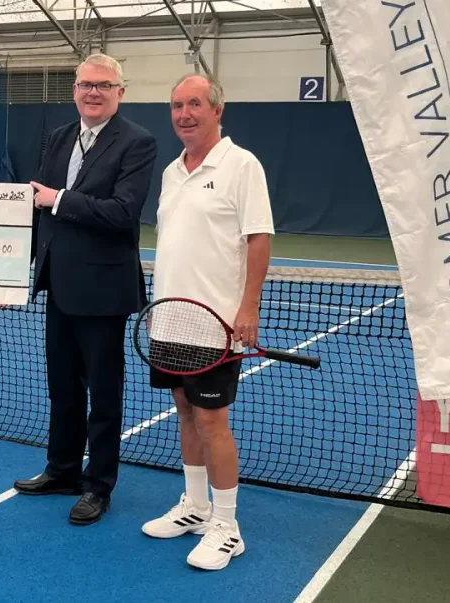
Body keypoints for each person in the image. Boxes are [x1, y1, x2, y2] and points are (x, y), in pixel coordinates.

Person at [13, 53, 157, 525]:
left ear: (120, 91)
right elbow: (38, 211)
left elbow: (122, 213)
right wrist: (13, 271)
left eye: (104, 85)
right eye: (85, 84)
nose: (93, 92)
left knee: (104, 392)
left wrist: (61, 201)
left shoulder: (138, 143)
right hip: (58, 286)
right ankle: (62, 471)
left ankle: (99, 485)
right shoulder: (57, 138)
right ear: (74, 90)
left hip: (104, 290)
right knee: (63, 389)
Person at [140, 74, 274, 571]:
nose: (184, 114)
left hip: (217, 323)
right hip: (170, 320)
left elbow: (258, 238)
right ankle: (195, 508)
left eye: (195, 104)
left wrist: (248, 308)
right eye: (177, 105)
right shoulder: (173, 170)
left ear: (218, 110)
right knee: (184, 410)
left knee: (213, 419)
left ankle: (227, 526)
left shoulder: (242, 165)